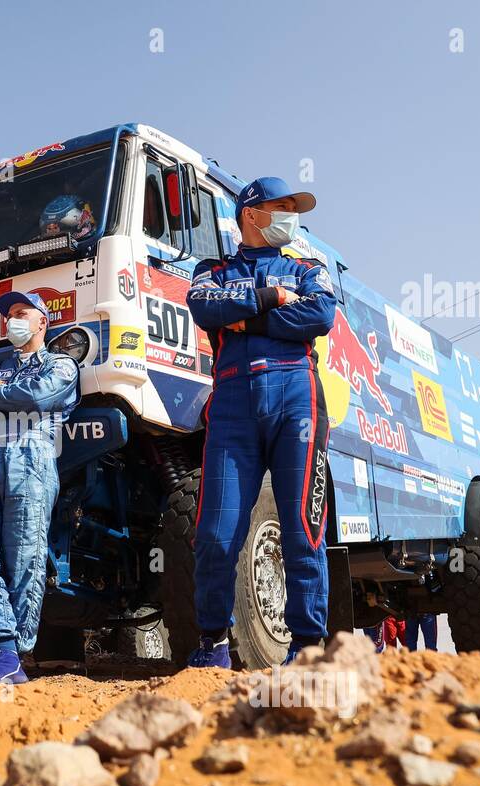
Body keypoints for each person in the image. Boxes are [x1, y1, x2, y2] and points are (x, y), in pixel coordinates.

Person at [184, 176, 337, 668]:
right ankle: (213, 643)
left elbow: (319, 317)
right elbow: (204, 307)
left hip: (298, 395)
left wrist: (243, 316)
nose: (292, 215)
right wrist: (272, 299)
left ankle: (308, 647)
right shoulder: (211, 268)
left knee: (301, 529)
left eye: (296, 208)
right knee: (214, 532)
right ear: (251, 213)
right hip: (231, 402)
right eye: (283, 206)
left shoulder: (309, 268)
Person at [0, 291, 80, 684]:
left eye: (20, 313)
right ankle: (2, 652)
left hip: (32, 459)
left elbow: (40, 397)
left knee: (24, 557)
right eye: (8, 315)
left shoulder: (61, 365)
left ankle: (16, 651)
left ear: (42, 321)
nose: (12, 320)